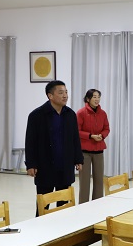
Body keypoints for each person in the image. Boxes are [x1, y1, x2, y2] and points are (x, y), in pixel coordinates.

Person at [25, 80, 83, 213]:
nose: (65, 95)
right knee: (43, 206)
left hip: (65, 166)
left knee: (63, 207)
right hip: (45, 167)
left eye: (66, 92)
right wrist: (31, 164)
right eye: (61, 93)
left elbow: (75, 138)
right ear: (50, 96)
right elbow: (30, 142)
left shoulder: (70, 114)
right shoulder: (37, 115)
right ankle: (40, 225)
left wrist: (78, 159)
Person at [76, 88, 110, 203]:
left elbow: (107, 128)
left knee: (99, 180)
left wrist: (102, 135)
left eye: (98, 97)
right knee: (84, 181)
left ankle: (97, 204)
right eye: (94, 97)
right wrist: (90, 136)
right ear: (88, 99)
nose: (97, 99)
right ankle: (83, 206)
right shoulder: (81, 113)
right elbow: (77, 131)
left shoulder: (103, 113)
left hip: (99, 151)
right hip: (84, 152)